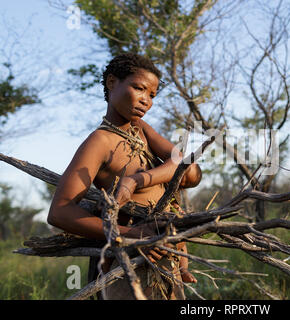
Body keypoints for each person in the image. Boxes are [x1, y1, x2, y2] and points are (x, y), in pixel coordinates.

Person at [47, 53, 201, 299]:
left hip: (165, 256)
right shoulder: (100, 141)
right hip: (127, 263)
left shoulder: (142, 130)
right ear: (111, 83)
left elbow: (189, 172)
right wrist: (131, 234)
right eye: (139, 88)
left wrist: (136, 180)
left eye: (152, 95)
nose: (146, 101)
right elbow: (59, 211)